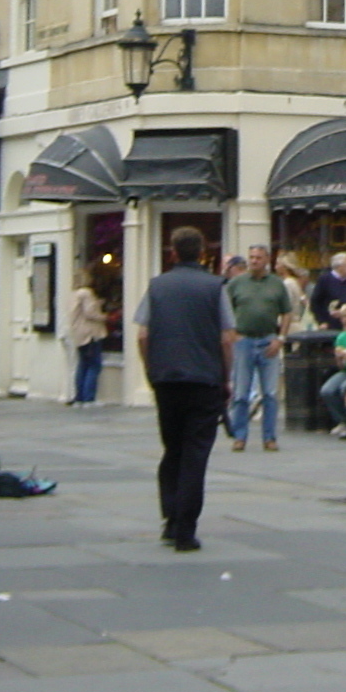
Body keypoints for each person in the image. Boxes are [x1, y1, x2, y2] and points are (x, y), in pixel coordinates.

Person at [136, 226, 235, 552]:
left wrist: (151, 369)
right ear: (202, 252)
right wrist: (226, 376)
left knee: (173, 449)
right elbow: (226, 338)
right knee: (195, 454)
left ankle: (170, 520)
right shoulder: (215, 287)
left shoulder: (156, 286)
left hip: (167, 378)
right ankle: (185, 529)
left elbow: (142, 335)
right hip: (204, 379)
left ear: (173, 252)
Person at [226, 245, 294, 452]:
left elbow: (287, 313)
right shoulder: (237, 283)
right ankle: (240, 436)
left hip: (268, 341)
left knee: (270, 394)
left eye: (258, 257)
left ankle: (269, 438)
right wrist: (232, 335)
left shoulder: (276, 284)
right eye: (251, 257)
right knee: (241, 393)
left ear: (267, 260)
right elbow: (225, 311)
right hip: (243, 341)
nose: (254, 261)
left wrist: (280, 338)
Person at [65, 266, 108, 407]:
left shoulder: (74, 294)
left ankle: (79, 397)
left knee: (82, 365)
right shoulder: (86, 293)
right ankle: (89, 398)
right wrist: (104, 317)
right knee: (94, 365)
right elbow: (90, 312)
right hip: (90, 333)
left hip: (78, 334)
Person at [310, 253, 346, 328]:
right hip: (329, 323)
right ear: (340, 267)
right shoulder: (325, 279)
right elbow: (315, 302)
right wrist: (321, 321)